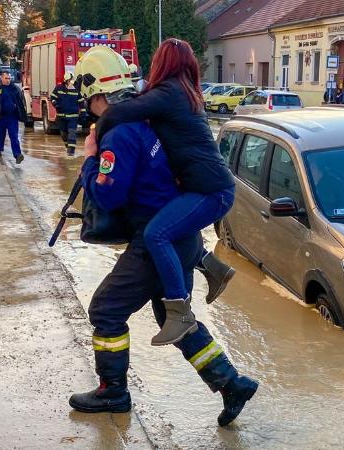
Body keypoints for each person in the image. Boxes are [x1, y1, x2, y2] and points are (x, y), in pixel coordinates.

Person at [69, 45, 258, 427]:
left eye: (87, 98)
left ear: (97, 95)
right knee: (168, 315)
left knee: (106, 309)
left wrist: (90, 160)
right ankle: (230, 382)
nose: (86, 106)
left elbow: (108, 194)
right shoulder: (146, 121)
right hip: (180, 238)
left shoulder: (119, 134)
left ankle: (113, 392)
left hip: (159, 241)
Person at [93, 38, 236, 346]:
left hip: (211, 191)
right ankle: (214, 267)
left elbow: (120, 112)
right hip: (213, 187)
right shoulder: (186, 92)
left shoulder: (170, 92)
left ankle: (179, 313)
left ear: (162, 63)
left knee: (157, 234)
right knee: (171, 224)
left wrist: (96, 144)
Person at [0, 70, 27, 164]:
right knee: (0, 135)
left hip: (12, 117)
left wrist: (21, 110)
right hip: (0, 116)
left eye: (9, 78)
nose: (8, 80)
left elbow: (20, 100)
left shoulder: (14, 88)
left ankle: (18, 155)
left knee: (14, 136)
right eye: (6, 78)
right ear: (1, 77)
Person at [50, 72, 84, 155]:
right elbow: (53, 97)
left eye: (72, 80)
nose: (71, 81)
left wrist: (83, 112)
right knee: (63, 134)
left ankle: (71, 152)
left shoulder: (76, 89)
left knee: (72, 132)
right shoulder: (59, 88)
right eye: (70, 80)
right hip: (61, 116)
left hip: (73, 116)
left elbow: (81, 101)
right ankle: (68, 145)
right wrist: (55, 104)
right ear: (66, 80)